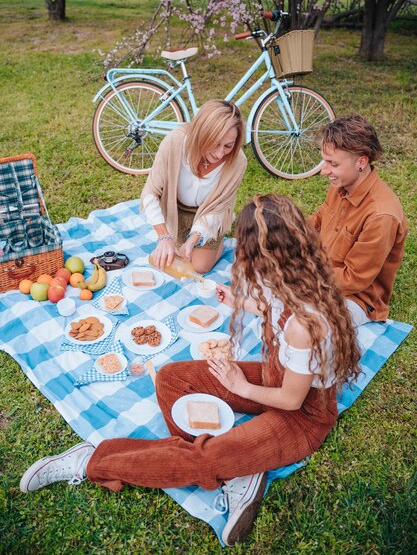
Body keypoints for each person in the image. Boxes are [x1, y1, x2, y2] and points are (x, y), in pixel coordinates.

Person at [19, 195, 361, 546]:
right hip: (275, 377)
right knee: (171, 377)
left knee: (205, 458)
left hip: (302, 415)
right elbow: (272, 307)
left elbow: (291, 400)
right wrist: (238, 301)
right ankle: (238, 465)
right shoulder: (292, 277)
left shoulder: (305, 325)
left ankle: (93, 461)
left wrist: (239, 386)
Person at [309, 114, 407, 326]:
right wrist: (284, 231)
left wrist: (302, 274)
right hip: (320, 273)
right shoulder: (342, 183)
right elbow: (318, 220)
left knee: (304, 322)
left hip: (355, 299)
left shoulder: (381, 215)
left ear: (361, 162)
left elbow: (353, 279)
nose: (324, 171)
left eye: (332, 164)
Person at [140, 99, 247, 274]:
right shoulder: (175, 142)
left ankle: (218, 237)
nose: (220, 153)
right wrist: (164, 236)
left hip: (209, 213)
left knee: (199, 266)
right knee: (168, 256)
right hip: (175, 210)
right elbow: (151, 193)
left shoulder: (238, 162)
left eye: (228, 145)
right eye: (215, 143)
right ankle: (179, 237)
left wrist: (193, 239)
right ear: (201, 135)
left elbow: (218, 208)